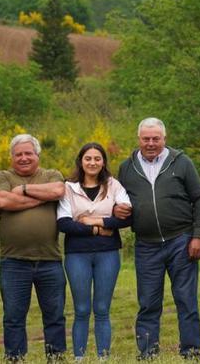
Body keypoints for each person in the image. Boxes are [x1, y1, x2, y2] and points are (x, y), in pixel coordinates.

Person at [117, 117, 200, 360]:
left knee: (186, 299)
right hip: (146, 245)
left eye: (155, 139)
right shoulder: (126, 168)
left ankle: (190, 351)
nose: (150, 143)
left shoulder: (181, 162)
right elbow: (123, 204)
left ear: (164, 139)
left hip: (181, 240)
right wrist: (118, 213)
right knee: (148, 302)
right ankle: (148, 352)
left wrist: (198, 236)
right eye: (146, 139)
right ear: (138, 139)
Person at [0, 134, 67, 361]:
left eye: (28, 153)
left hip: (50, 260)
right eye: (18, 154)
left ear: (37, 155)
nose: (24, 158)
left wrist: (23, 190)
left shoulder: (51, 174)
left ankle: (55, 357)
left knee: (54, 315)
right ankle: (15, 358)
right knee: (13, 316)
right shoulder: (2, 176)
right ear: (12, 157)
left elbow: (58, 191)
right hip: (14, 261)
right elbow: (3, 201)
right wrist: (41, 196)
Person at [57, 142, 132, 359]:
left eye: (97, 159)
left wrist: (90, 220)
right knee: (81, 310)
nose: (92, 162)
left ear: (104, 162)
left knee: (102, 309)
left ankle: (103, 357)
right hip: (76, 255)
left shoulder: (114, 185)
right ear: (81, 161)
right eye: (88, 158)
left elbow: (127, 218)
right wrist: (101, 228)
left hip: (108, 254)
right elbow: (65, 224)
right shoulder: (68, 187)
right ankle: (79, 358)